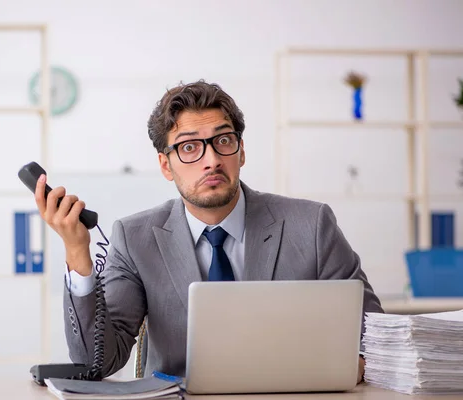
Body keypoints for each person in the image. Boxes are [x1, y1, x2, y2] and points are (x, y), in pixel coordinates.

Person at [34, 80, 384, 383]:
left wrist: (352, 366)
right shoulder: (134, 237)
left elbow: (376, 338)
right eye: (189, 147)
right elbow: (98, 363)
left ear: (241, 151)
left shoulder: (312, 225)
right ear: (165, 166)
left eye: (223, 141)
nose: (212, 159)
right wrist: (78, 253)